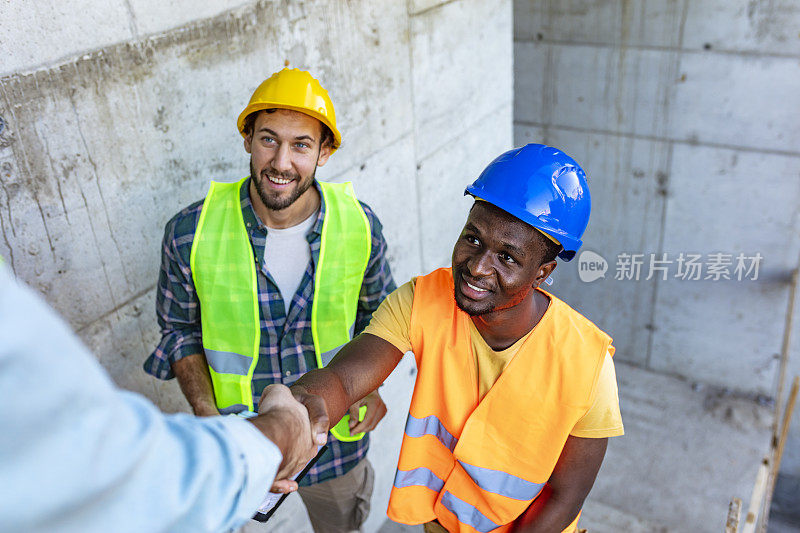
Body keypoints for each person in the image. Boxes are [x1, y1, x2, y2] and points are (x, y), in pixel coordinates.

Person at [283, 144, 624, 533]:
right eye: (473, 239)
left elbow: (565, 496)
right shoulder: (423, 300)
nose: (477, 267)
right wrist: (292, 415)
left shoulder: (588, 364)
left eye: (507, 258)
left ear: (542, 272)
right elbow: (343, 379)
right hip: (443, 523)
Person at [143, 67, 395, 532]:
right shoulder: (189, 232)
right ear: (247, 140)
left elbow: (382, 319)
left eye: (301, 144)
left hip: (334, 440)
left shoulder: (360, 226)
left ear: (325, 150)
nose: (281, 162)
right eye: (268, 140)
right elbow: (178, 332)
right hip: (239, 437)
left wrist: (371, 386)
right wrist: (206, 415)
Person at [0, 262, 328, 533]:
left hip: (331, 447)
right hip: (229, 445)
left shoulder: (355, 219)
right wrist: (280, 430)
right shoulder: (191, 229)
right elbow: (125, 478)